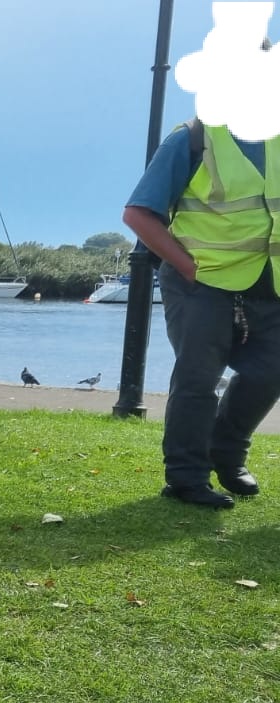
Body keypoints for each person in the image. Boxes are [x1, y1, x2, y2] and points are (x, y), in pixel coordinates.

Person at [122, 114, 280, 509]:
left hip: (269, 284)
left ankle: (226, 453)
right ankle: (185, 479)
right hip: (200, 284)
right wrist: (190, 268)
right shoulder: (194, 138)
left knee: (271, 370)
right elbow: (138, 213)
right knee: (198, 380)